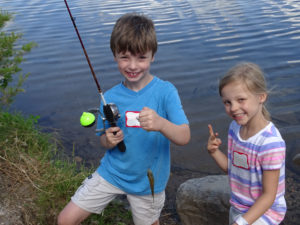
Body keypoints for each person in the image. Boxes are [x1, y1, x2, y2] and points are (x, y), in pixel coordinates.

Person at [57, 12, 190, 225]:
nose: (133, 66)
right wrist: (108, 140)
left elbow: (184, 136)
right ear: (115, 55)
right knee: (65, 220)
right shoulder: (108, 97)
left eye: (141, 57)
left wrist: (161, 123)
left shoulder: (166, 92)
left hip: (148, 184)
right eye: (125, 57)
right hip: (112, 172)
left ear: (153, 56)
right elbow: (103, 138)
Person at [207, 62, 286, 225]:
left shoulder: (270, 143)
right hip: (239, 206)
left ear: (261, 97)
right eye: (227, 102)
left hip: (265, 212)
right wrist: (215, 152)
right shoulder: (235, 128)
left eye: (241, 100)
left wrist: (242, 222)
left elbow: (269, 195)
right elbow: (234, 169)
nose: (233, 108)